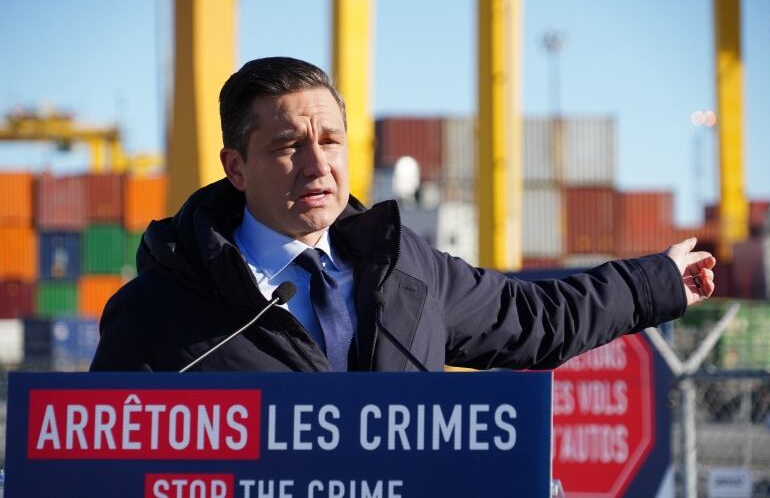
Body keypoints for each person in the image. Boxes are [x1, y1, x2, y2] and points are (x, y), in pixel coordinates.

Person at [90, 57, 715, 372]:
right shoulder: (156, 312)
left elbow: (533, 317)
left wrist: (657, 283)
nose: (317, 166)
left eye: (330, 141)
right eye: (288, 147)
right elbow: (107, 466)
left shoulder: (403, 268)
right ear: (235, 167)